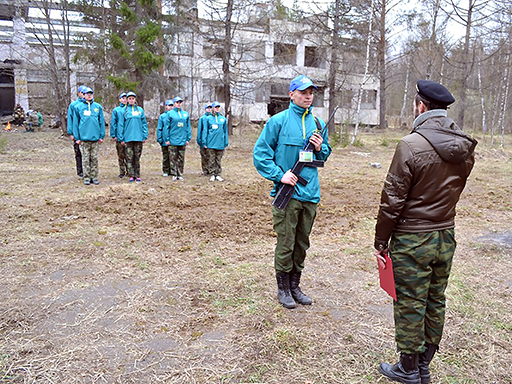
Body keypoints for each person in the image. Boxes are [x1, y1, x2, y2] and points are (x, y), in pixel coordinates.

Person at [374, 80, 477, 384]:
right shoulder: (464, 147)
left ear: (421, 106)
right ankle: (423, 364)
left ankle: (408, 367)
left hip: (413, 237)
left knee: (410, 300)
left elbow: (392, 200)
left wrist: (381, 241)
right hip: (445, 234)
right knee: (435, 298)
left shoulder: (411, 144)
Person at [253, 75, 331, 309]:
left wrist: (320, 147)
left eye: (311, 93)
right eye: (303, 92)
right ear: (291, 95)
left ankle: (295, 285)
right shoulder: (277, 121)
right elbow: (261, 154)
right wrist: (280, 175)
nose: (308, 96)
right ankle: (283, 288)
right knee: (286, 242)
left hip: (311, 194)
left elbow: (324, 155)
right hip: (288, 193)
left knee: (302, 243)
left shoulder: (318, 123)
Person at [72, 87, 105, 185]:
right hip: (84, 139)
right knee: (85, 159)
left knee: (94, 158)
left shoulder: (97, 107)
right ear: (83, 95)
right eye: (87, 94)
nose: (89, 95)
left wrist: (101, 136)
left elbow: (101, 122)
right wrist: (77, 138)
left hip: (95, 138)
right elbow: (75, 123)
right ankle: (86, 177)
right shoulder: (78, 107)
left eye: (91, 94)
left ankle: (94, 177)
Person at [118, 91, 148, 183]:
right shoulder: (124, 111)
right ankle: (131, 175)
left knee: (137, 157)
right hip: (128, 138)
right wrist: (121, 138)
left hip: (138, 137)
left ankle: (137, 175)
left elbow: (144, 124)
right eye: (129, 99)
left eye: (133, 98)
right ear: (127, 100)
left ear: (135, 100)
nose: (131, 100)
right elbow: (121, 125)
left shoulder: (140, 110)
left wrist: (144, 135)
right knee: (129, 157)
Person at [165, 96, 191, 181]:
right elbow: (167, 127)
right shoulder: (170, 114)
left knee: (181, 158)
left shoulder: (185, 114)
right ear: (174, 103)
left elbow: (188, 127)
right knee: (173, 158)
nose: (179, 104)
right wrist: (167, 139)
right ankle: (174, 173)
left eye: (180, 102)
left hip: (182, 139)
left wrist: (188, 138)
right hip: (173, 139)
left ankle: (180, 173)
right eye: (177, 102)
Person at [204, 101, 228, 182]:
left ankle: (218, 174)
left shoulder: (223, 119)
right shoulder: (208, 119)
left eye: (218, 107)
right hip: (211, 143)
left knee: (218, 159)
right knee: (211, 159)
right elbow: (205, 131)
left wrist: (225, 142)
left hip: (220, 143)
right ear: (213, 108)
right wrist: (204, 142)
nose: (217, 109)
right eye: (216, 107)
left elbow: (225, 131)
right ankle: (212, 174)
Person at [67, 85, 86, 178]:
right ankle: (80, 171)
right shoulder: (73, 105)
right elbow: (70, 120)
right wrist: (71, 133)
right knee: (78, 153)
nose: (84, 95)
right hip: (77, 132)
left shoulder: (89, 105)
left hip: (86, 133)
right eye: (82, 93)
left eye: (85, 93)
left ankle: (88, 170)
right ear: (78, 93)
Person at [110, 92, 128, 178]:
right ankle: (122, 171)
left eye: (126, 98)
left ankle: (130, 170)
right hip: (119, 135)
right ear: (120, 99)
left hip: (129, 136)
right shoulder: (116, 110)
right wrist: (113, 135)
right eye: (123, 98)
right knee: (121, 155)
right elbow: (113, 123)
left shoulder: (131, 109)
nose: (124, 100)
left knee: (129, 155)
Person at [156, 99, 173, 177]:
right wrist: (160, 138)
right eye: (169, 105)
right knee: (166, 156)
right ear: (166, 106)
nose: (170, 107)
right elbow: (159, 128)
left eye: (171, 105)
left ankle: (173, 170)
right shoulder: (162, 116)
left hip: (173, 140)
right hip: (164, 140)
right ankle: (166, 170)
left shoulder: (175, 116)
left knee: (173, 156)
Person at [197, 103, 212, 176]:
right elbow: (200, 130)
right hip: (203, 139)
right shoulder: (202, 118)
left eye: (210, 108)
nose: (209, 109)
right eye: (207, 108)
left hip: (211, 140)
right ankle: (205, 170)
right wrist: (199, 140)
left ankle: (211, 169)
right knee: (204, 156)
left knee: (211, 156)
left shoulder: (213, 118)